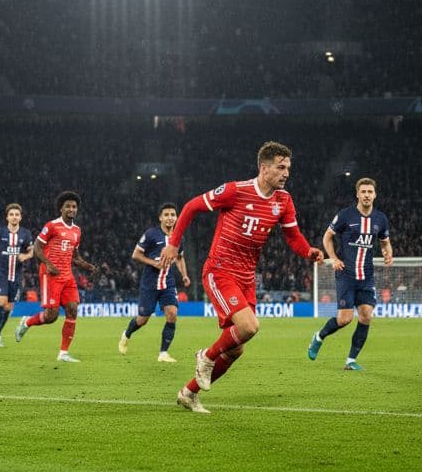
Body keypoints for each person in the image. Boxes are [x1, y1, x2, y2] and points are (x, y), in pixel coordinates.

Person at [158, 142, 324, 413]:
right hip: (220, 271)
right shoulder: (236, 191)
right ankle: (206, 355)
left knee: (236, 349)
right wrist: (174, 244)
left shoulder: (284, 200)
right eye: (281, 168)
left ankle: (189, 392)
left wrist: (309, 252)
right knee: (248, 327)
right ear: (264, 167)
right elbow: (190, 207)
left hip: (246, 278)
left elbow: (293, 236)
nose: (286, 173)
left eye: (288, 168)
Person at [306, 177, 394, 371]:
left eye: (370, 192)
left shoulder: (380, 219)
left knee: (366, 316)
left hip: (367, 276)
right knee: (345, 319)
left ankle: (350, 361)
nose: (367, 195)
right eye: (363, 192)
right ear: (357, 194)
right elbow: (327, 237)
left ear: (375, 195)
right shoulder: (346, 215)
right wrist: (334, 258)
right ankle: (319, 336)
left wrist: (389, 253)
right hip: (346, 274)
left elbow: (385, 241)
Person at [14, 191, 99, 362]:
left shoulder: (77, 231)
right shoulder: (52, 226)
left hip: (67, 276)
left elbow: (74, 257)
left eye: (74, 206)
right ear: (61, 208)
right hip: (50, 274)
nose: (71, 209)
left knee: (73, 309)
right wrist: (48, 264)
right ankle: (26, 322)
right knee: (51, 316)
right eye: (68, 206)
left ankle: (63, 353)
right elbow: (37, 247)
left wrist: (88, 266)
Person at [119, 203, 191, 362]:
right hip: (150, 282)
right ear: (160, 218)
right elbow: (136, 255)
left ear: (176, 217)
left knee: (172, 314)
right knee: (143, 319)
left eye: (173, 214)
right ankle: (126, 334)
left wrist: (184, 275)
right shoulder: (151, 234)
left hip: (168, 282)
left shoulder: (179, 237)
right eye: (166, 215)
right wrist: (153, 263)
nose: (170, 218)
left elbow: (180, 258)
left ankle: (163, 353)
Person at [0, 203, 33, 348]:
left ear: (20, 217)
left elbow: (32, 251)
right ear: (7, 217)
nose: (14, 217)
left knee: (9, 308)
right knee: (1, 302)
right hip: (1, 273)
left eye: (17, 214)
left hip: (16, 276)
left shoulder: (25, 233)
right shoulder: (0, 232)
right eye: (11, 214)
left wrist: (25, 256)